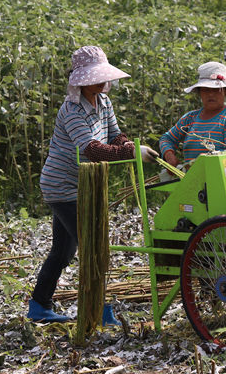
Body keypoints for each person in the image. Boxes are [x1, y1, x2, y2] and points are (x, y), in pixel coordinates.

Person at [29, 45, 157, 323]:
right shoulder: (72, 109)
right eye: (94, 77)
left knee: (63, 251)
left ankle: (39, 306)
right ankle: (96, 310)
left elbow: (114, 135)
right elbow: (92, 149)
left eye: (102, 76)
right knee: (94, 247)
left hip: (83, 185)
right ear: (80, 80)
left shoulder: (104, 102)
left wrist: (130, 145)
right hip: (62, 186)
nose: (101, 81)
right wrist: (132, 153)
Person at [159, 61, 226, 166]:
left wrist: (205, 162)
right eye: (206, 90)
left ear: (225, 92)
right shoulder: (190, 118)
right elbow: (167, 139)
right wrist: (169, 156)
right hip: (190, 175)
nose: (211, 94)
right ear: (199, 93)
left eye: (216, 90)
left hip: (218, 173)